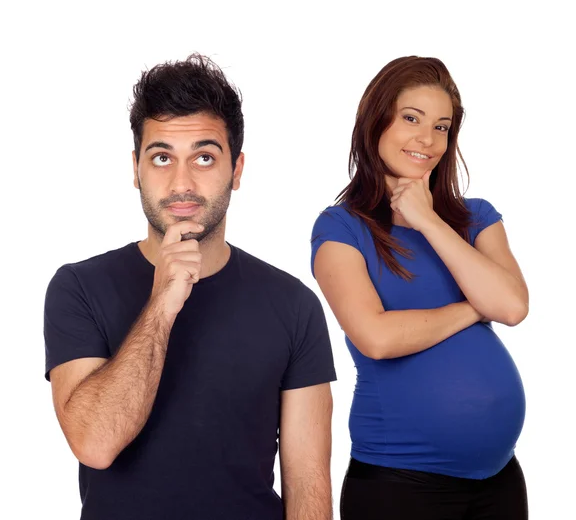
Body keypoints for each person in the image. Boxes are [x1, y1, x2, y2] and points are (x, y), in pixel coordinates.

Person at [44, 53, 336, 520]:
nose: (182, 183)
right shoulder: (78, 287)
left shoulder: (294, 304)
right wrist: (162, 303)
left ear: (237, 171)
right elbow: (94, 443)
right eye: (162, 158)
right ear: (135, 167)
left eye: (204, 157)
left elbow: (308, 484)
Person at [311, 56, 529, 520]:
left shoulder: (476, 217)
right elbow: (377, 337)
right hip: (400, 482)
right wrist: (476, 304)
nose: (427, 140)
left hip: (500, 479)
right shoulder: (341, 229)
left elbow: (511, 307)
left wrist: (428, 220)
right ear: (376, 122)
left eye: (442, 127)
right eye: (411, 118)